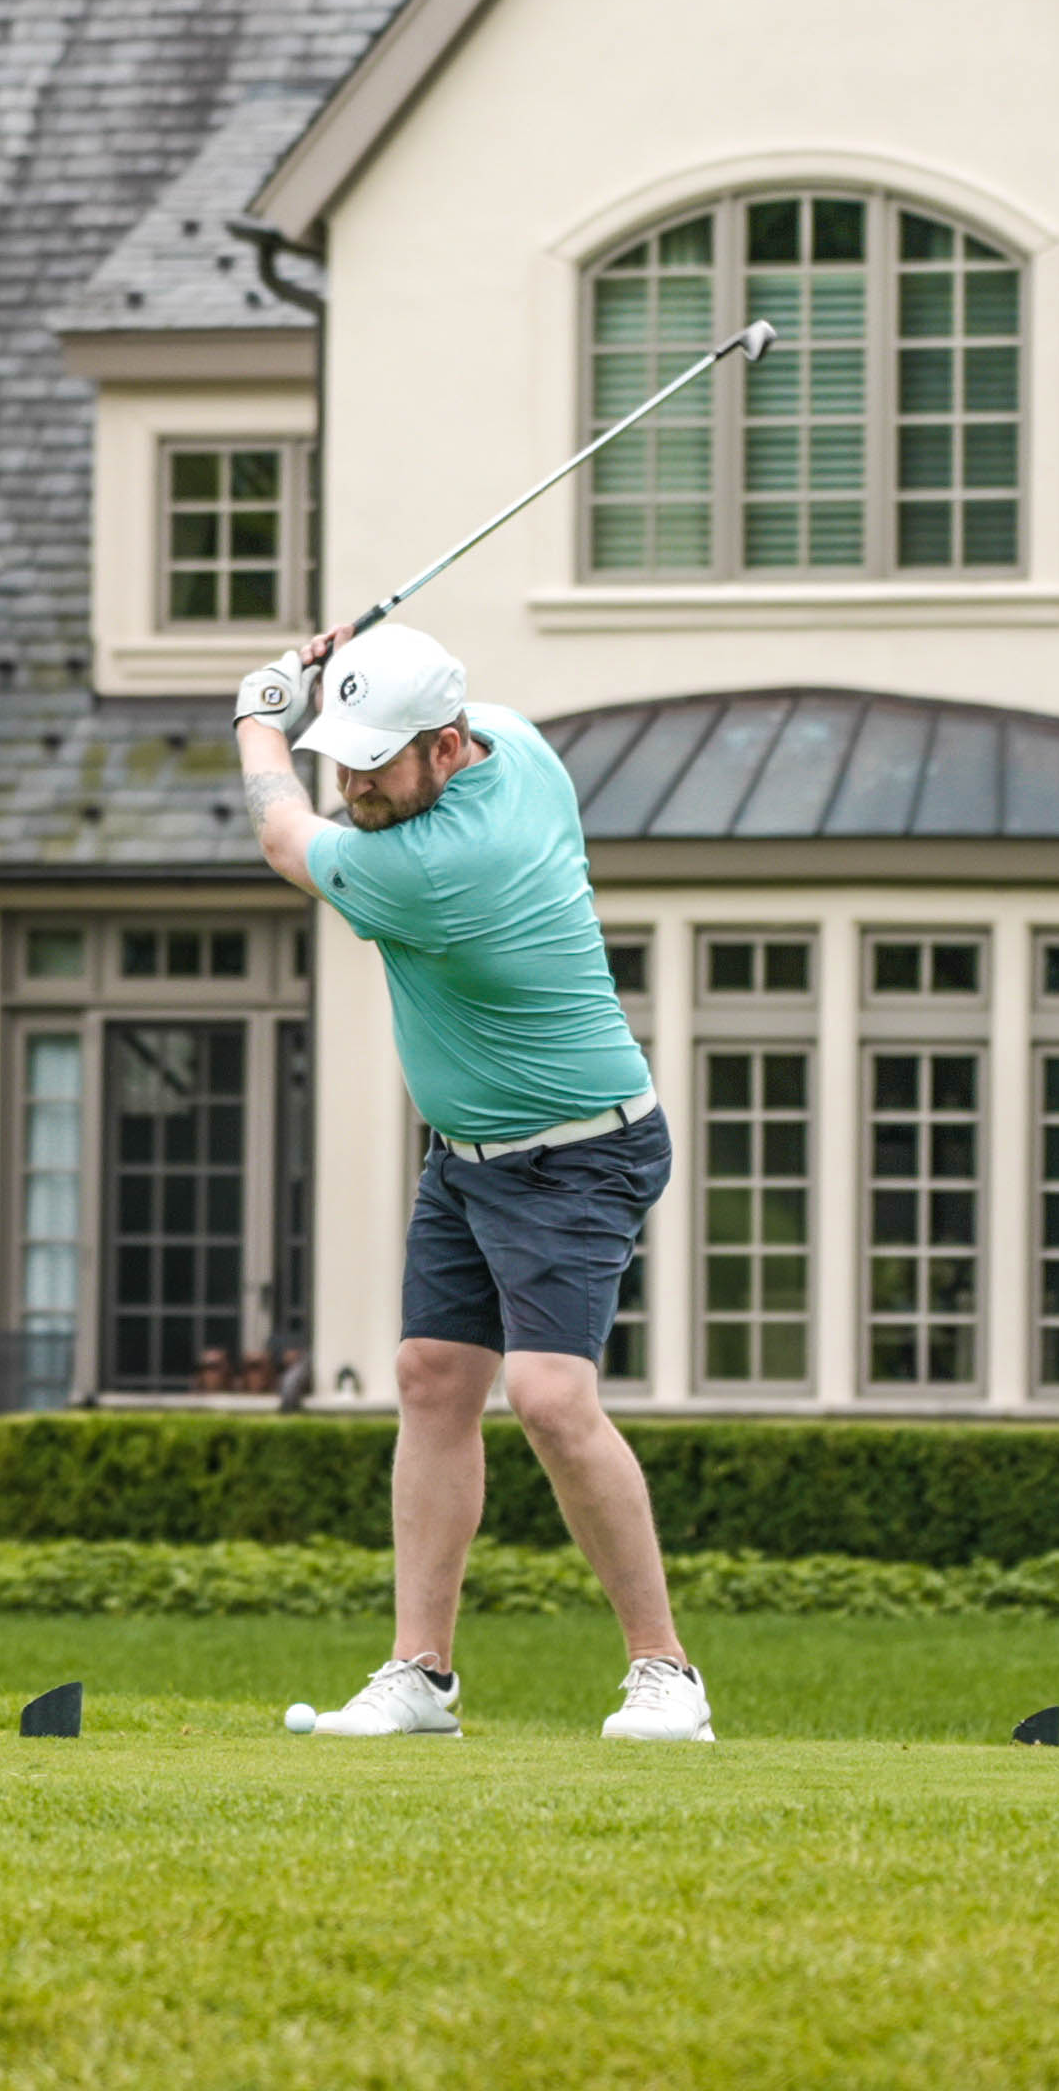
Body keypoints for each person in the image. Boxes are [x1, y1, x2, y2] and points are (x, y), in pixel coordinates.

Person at [232, 620, 710, 1742]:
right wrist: (346, 678)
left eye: (375, 764)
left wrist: (261, 714)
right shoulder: (513, 739)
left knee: (548, 1397)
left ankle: (668, 1676)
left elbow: (280, 834)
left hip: (578, 1152)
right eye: (341, 759)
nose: (353, 786)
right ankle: (421, 1675)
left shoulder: (436, 868)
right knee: (433, 1377)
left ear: (445, 749)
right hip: (469, 1151)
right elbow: (394, 735)